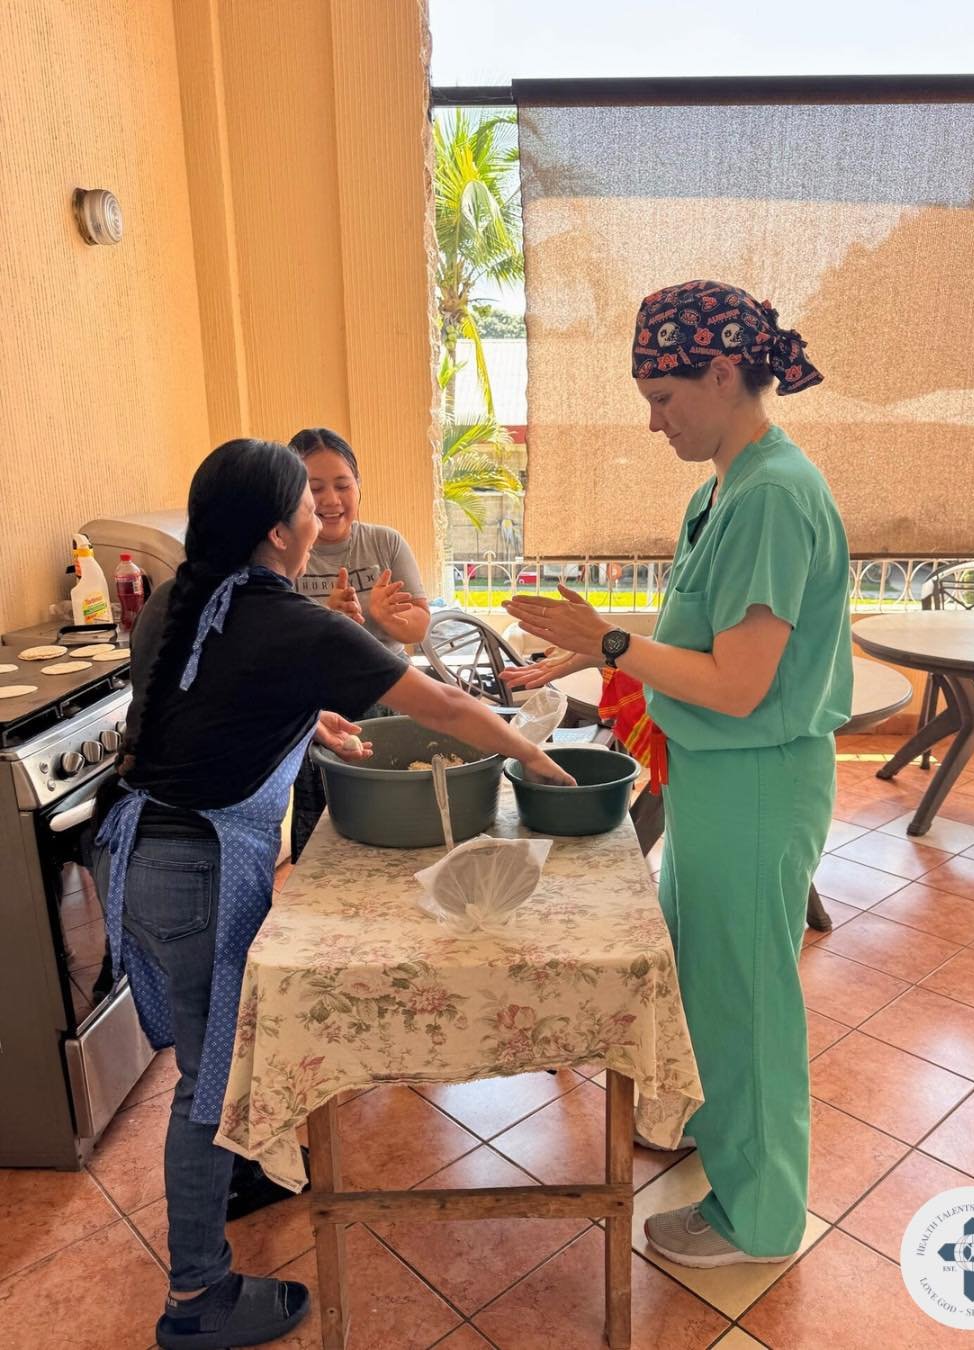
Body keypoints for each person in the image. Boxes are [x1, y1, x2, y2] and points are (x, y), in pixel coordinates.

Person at [94, 439, 572, 1350]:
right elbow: (440, 705)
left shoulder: (179, 600)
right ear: (280, 531)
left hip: (146, 860)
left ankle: (240, 1177)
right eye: (308, 503)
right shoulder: (291, 620)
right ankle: (195, 1301)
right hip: (190, 869)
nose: (323, 512)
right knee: (207, 1082)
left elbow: (200, 699)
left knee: (217, 1063)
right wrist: (535, 757)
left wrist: (302, 712)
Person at [503, 281, 852, 1268]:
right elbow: (701, 637)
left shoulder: (777, 494)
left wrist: (609, 637)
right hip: (717, 781)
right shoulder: (722, 490)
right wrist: (587, 651)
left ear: (726, 371)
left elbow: (739, 686)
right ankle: (729, 1157)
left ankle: (763, 1219)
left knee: (746, 1004)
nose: (653, 420)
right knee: (712, 985)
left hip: (756, 779)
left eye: (665, 396)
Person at [289, 426, 430, 655]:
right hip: (318, 684)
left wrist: (389, 616)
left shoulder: (386, 542)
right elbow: (277, 645)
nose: (332, 500)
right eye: (315, 489)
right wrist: (330, 622)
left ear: (358, 483)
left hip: (391, 677)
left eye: (343, 486)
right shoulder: (284, 553)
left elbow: (419, 628)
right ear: (293, 492)